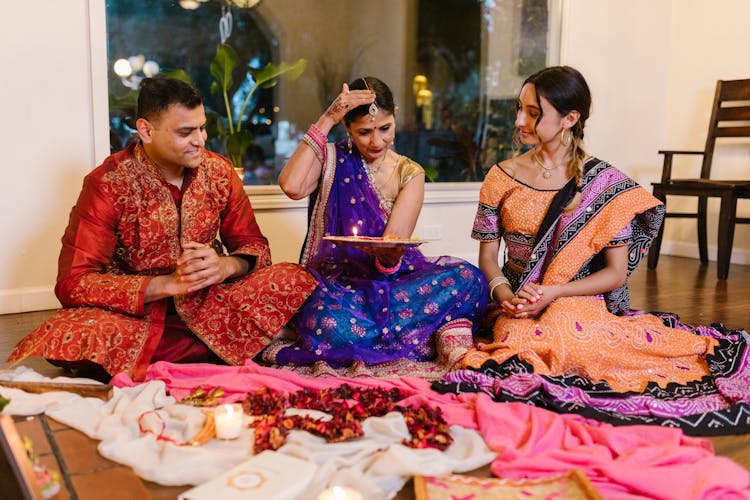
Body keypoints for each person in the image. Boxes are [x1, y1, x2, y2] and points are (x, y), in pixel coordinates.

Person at [435, 66, 750, 434]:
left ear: (571, 118)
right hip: (517, 301)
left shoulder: (603, 184)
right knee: (517, 342)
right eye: (519, 108)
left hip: (576, 298)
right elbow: (489, 257)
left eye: (534, 113)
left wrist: (554, 292)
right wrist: (504, 293)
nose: (520, 120)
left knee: (568, 332)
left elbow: (615, 273)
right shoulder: (500, 176)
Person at [7, 76, 317, 381]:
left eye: (202, 127)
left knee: (294, 277)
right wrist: (166, 285)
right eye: (186, 132)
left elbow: (255, 246)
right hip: (137, 315)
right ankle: (241, 343)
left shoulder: (220, 172)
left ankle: (187, 351)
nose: (200, 140)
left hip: (212, 301)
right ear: (146, 130)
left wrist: (225, 266)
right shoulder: (107, 184)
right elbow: (73, 282)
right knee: (65, 332)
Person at [262, 77, 487, 379]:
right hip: (337, 288)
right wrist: (328, 117)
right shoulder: (331, 158)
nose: (377, 141)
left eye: (386, 128)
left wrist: (388, 255)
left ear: (395, 115)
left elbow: (393, 245)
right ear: (348, 129)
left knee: (467, 278)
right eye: (364, 132)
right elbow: (291, 185)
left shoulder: (409, 173)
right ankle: (403, 336)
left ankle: (373, 335)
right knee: (325, 319)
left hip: (394, 285)